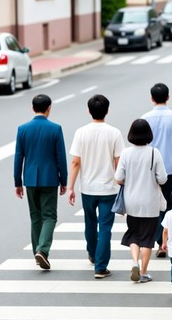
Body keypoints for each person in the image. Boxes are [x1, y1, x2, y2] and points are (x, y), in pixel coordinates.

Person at [67, 94, 125, 279]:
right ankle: (100, 266)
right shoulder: (114, 132)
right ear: (107, 111)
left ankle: (93, 253)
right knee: (105, 227)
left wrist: (70, 187)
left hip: (87, 188)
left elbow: (76, 162)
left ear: (88, 111)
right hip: (108, 188)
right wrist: (123, 183)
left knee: (90, 223)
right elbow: (119, 162)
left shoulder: (80, 132)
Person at [14, 94, 68, 270]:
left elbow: (18, 158)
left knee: (35, 216)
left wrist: (18, 182)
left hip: (30, 179)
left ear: (32, 108)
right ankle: (42, 250)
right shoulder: (55, 129)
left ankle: (37, 252)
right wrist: (64, 180)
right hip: (50, 178)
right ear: (49, 108)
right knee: (50, 216)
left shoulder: (22, 129)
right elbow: (61, 157)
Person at [115, 119, 167, 283]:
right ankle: (143, 272)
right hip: (150, 203)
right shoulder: (154, 152)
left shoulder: (126, 153)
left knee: (134, 235)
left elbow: (118, 178)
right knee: (147, 239)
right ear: (148, 134)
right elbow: (163, 179)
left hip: (131, 202)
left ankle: (134, 262)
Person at [142, 83, 172, 258]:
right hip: (171, 168)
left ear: (152, 98)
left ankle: (157, 240)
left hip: (150, 169)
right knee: (170, 205)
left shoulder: (145, 119)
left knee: (154, 204)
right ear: (168, 97)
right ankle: (165, 241)